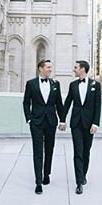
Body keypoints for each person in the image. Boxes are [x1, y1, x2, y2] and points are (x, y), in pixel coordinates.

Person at [22, 59, 64, 194]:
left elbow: (59, 104)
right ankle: (38, 181)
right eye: (48, 67)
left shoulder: (55, 84)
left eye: (51, 67)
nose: (50, 69)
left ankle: (47, 174)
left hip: (51, 122)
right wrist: (29, 119)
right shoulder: (31, 84)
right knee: (38, 151)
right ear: (40, 68)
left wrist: (62, 120)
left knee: (49, 150)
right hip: (36, 122)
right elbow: (26, 102)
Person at [60, 60, 101, 195]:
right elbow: (67, 104)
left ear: (83, 69)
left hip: (89, 124)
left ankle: (83, 175)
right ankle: (79, 182)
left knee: (86, 152)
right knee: (78, 151)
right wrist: (62, 120)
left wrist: (95, 123)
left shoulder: (96, 85)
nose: (74, 70)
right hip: (76, 123)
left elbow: (97, 106)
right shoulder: (73, 85)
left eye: (76, 67)